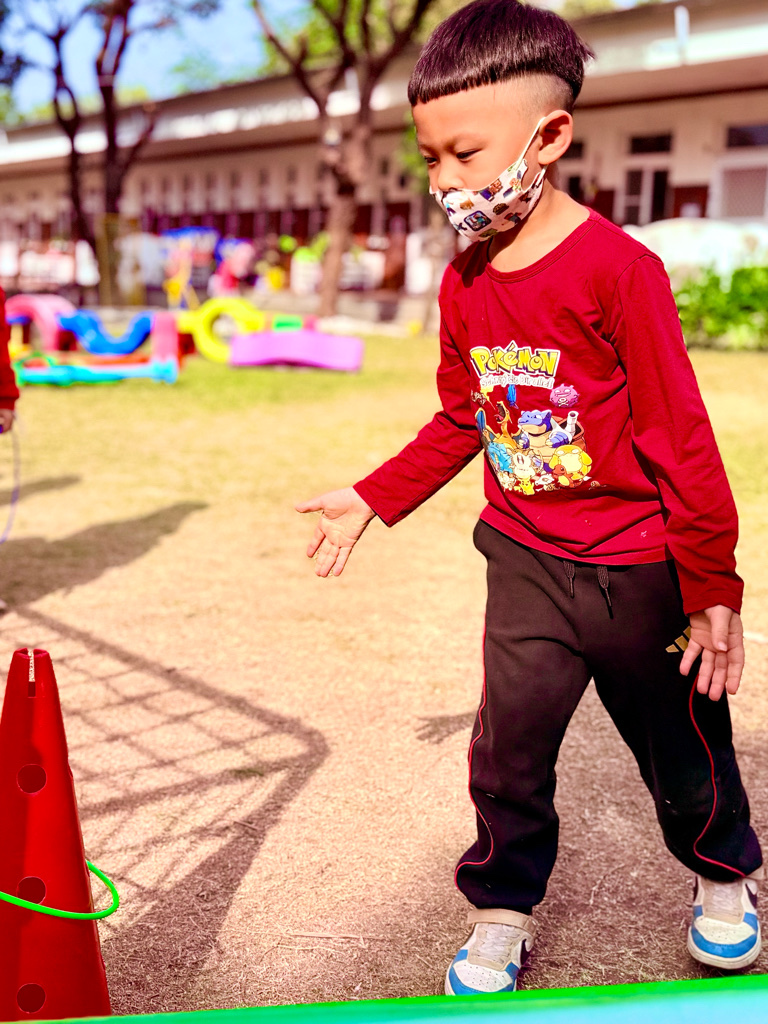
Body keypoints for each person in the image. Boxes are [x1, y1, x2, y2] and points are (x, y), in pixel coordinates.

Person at [297, 0, 762, 996]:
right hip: (523, 559)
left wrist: (711, 583)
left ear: (548, 137)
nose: (443, 180)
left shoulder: (620, 271)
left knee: (683, 741)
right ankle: (502, 906)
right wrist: (375, 497)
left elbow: (679, 433)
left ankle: (725, 877)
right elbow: (462, 417)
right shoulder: (464, 282)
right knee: (507, 751)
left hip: (637, 569)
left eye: (464, 153)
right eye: (430, 158)